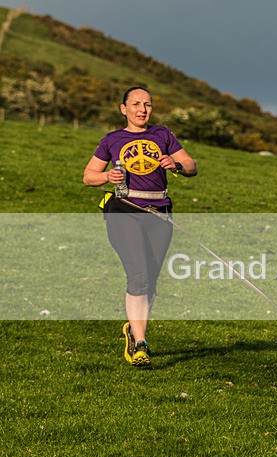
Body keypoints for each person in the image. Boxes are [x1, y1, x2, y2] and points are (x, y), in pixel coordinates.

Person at [83, 86, 197, 367]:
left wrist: (176, 165)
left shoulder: (163, 135)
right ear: (123, 109)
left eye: (147, 104)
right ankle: (140, 343)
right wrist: (107, 176)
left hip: (159, 213)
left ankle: (134, 329)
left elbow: (192, 165)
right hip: (124, 211)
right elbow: (88, 176)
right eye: (135, 104)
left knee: (151, 281)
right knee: (138, 275)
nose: (142, 109)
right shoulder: (111, 140)